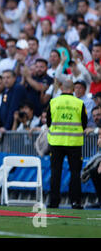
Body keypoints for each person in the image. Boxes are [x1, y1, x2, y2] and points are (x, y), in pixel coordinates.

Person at [47, 79, 88, 209]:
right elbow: (84, 123)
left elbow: (48, 122)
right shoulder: (79, 103)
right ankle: (75, 202)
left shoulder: (53, 102)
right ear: (73, 89)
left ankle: (54, 202)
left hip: (56, 142)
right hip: (74, 143)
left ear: (61, 87)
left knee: (55, 172)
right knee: (75, 173)